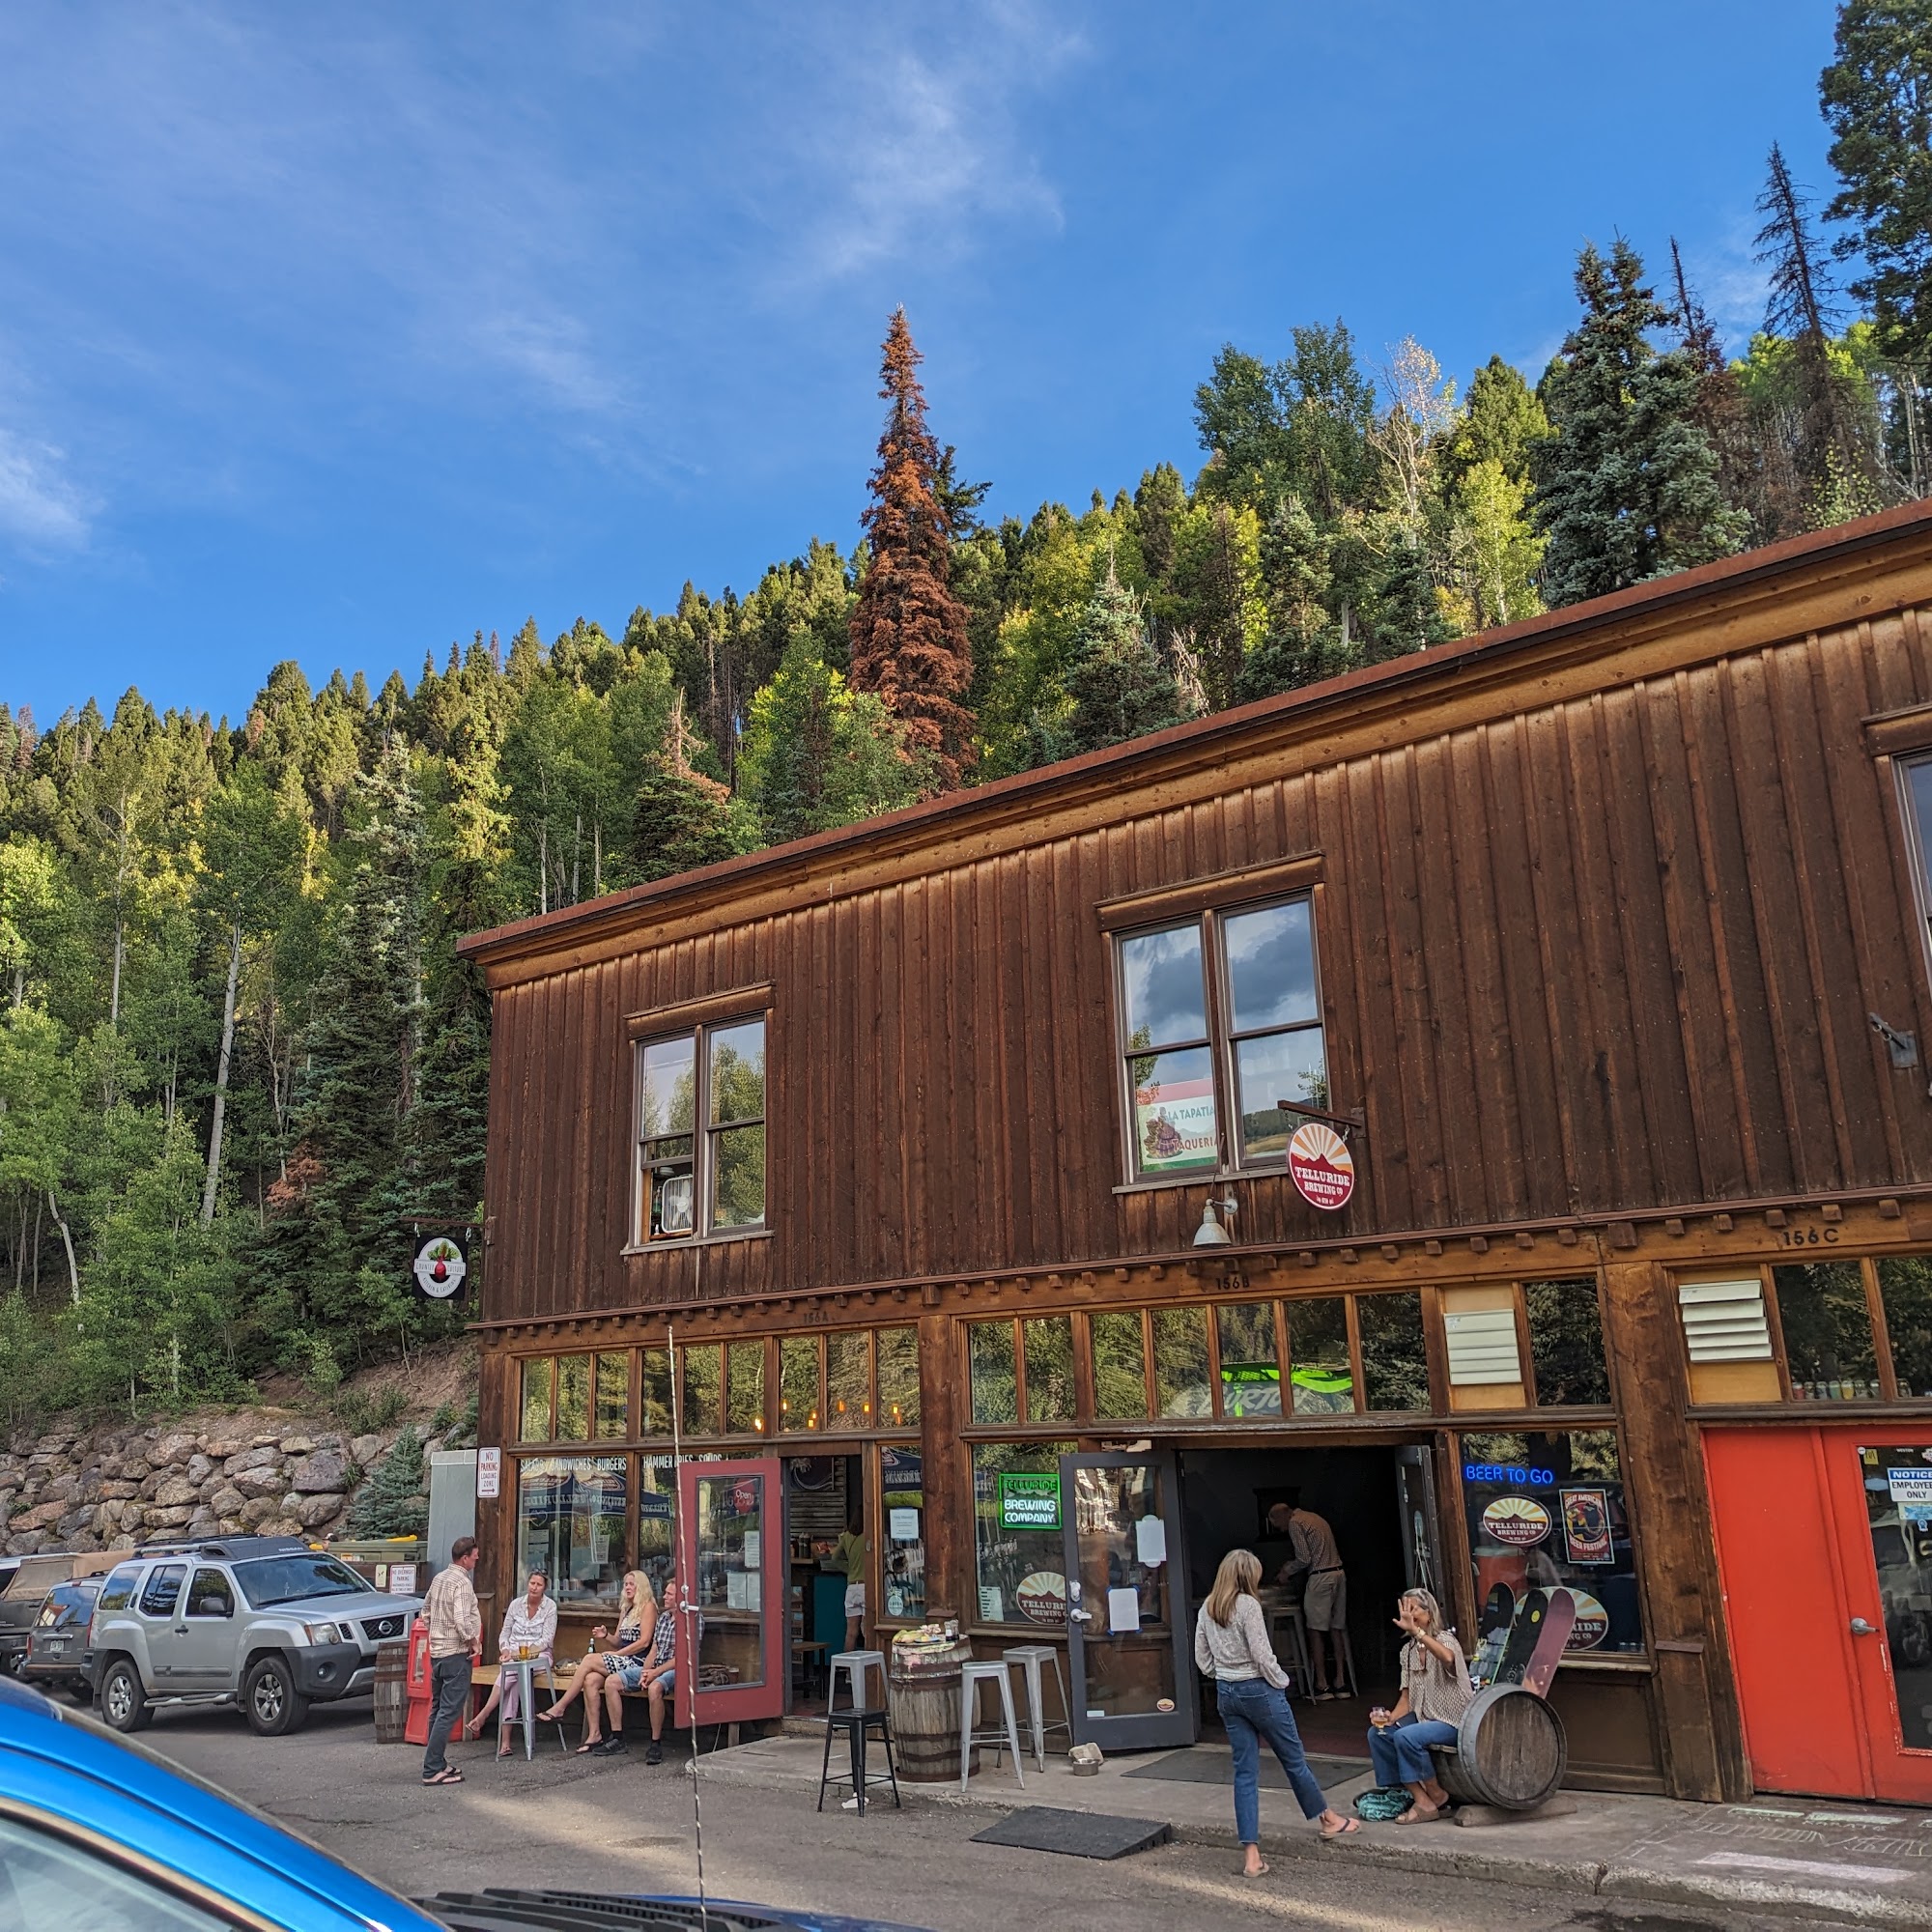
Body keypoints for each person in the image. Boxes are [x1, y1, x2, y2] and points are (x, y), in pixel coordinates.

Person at [1194, 1548, 1357, 1875]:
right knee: (1293, 1760)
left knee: (1244, 1773)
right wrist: (1281, 1681)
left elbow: (1202, 1657)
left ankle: (1252, 1856)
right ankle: (1328, 1820)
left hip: (1227, 1693)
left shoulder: (1208, 1606)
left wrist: (1222, 1675)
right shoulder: (1248, 1605)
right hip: (1259, 1690)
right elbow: (1262, 1654)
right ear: (1246, 1576)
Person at [1367, 1588, 1473, 1822]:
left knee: (1406, 1737)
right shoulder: (1408, 1651)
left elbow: (1447, 1658)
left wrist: (1418, 1632)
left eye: (1413, 1608)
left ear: (1429, 1613)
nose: (1408, 1614)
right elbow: (1406, 1698)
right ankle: (1413, 1794)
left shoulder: (1445, 1640)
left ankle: (1433, 1796)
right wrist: (1390, 1718)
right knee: (1379, 1733)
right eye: (1404, 1609)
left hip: (1452, 1720)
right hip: (1423, 1717)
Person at [538, 1569, 653, 1754]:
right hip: (623, 1659)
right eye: (626, 1584)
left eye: (632, 1584)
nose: (628, 1588)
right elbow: (618, 1639)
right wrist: (606, 1635)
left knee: (590, 1659)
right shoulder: (626, 1608)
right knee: (591, 1679)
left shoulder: (647, 1607)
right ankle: (595, 1734)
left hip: (638, 1662)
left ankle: (560, 1707)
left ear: (642, 1587)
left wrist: (619, 1654)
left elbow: (644, 1642)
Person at [465, 1567, 557, 1758]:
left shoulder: (550, 1607)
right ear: (527, 1584)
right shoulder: (516, 1605)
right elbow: (505, 1632)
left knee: (511, 1671)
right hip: (514, 1658)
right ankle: (505, 1744)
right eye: (532, 1583)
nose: (534, 1588)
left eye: (539, 1585)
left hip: (539, 1656)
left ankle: (484, 1715)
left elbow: (547, 1639)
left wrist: (519, 1654)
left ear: (545, 1588)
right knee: (514, 1679)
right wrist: (506, 1650)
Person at [1268, 1498, 1349, 1699]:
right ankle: (1341, 1682)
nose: (1280, 1530)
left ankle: (1322, 1685)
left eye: (1278, 1525)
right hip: (1338, 1574)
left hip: (1320, 1577)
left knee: (1315, 1631)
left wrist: (1286, 1571)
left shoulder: (1296, 1522)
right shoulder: (1314, 1518)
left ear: (1282, 1516)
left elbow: (1304, 1558)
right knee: (1336, 1629)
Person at [420, 1535, 483, 1787]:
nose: (477, 1559)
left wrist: (434, 1632)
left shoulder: (439, 1578)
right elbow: (461, 1618)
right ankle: (431, 1768)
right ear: (465, 1557)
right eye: (475, 1556)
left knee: (438, 1709)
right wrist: (472, 1641)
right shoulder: (462, 1582)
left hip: (437, 1654)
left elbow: (425, 1611)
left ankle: (437, 1762)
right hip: (456, 1655)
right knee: (448, 1712)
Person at [638, 1577, 679, 1764]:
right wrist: (645, 1672)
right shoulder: (663, 1618)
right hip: (655, 1667)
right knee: (612, 1681)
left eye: (669, 1594)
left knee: (655, 1688)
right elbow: (654, 1649)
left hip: (677, 1669)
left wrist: (654, 1674)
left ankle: (655, 1743)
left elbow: (683, 1658)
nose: (665, 1597)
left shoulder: (692, 1619)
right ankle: (616, 1737)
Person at [837, 1503, 867, 1652]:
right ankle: (870, 1672)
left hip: (851, 1588)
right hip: (866, 1587)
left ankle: (848, 1672)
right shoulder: (869, 1535)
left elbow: (834, 1557)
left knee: (851, 1633)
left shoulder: (847, 1536)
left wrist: (848, 1570)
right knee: (869, 1633)